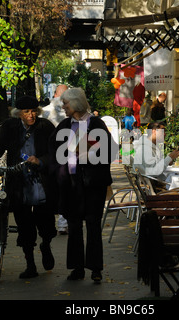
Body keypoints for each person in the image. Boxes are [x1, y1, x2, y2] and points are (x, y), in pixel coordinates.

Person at [0, 95, 57, 279]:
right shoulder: (10, 127)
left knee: (45, 221)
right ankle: (30, 265)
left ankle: (46, 243)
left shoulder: (46, 127)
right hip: (19, 182)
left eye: (34, 111)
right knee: (24, 223)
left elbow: (56, 152)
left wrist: (41, 160)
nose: (31, 115)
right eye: (27, 111)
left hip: (41, 181)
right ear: (18, 113)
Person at [50, 87, 117, 282]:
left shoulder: (96, 124)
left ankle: (96, 269)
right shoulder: (63, 126)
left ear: (77, 104)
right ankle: (77, 268)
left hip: (93, 183)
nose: (63, 107)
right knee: (74, 226)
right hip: (71, 184)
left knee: (93, 225)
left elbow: (111, 150)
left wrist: (89, 155)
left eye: (66, 104)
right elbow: (53, 149)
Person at [40, 84, 69, 235]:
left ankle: (49, 223)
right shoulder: (69, 111)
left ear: (55, 95)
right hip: (66, 156)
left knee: (49, 190)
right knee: (64, 189)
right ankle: (63, 223)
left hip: (48, 157)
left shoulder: (44, 113)